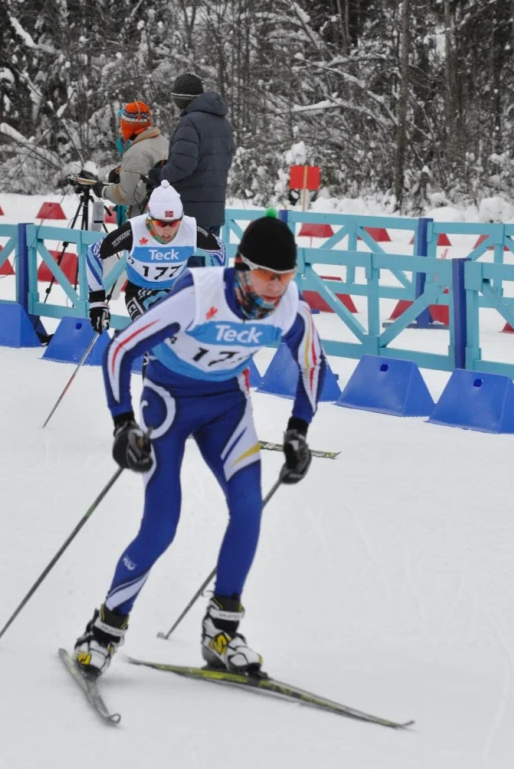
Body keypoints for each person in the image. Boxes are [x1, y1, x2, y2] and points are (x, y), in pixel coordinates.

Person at [73, 214, 328, 676]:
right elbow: (120, 350)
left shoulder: (291, 307)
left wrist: (299, 429)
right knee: (162, 525)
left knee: (249, 509)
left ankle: (222, 631)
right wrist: (122, 423)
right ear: (241, 266)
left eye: (287, 277)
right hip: (168, 403)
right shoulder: (199, 294)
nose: (277, 288)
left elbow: (312, 364)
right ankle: (105, 628)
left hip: (225, 408)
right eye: (268, 276)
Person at [86, 180, 226, 336]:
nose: (167, 230)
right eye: (160, 223)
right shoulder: (134, 230)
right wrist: (97, 301)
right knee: (152, 340)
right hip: (141, 293)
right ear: (149, 218)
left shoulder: (190, 229)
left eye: (173, 224)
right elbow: (94, 251)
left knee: (186, 342)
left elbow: (219, 249)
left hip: (176, 291)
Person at [148, 73, 235, 235]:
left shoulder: (190, 123)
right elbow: (223, 161)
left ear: (180, 99)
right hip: (214, 208)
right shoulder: (223, 123)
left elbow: (183, 165)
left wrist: (161, 175)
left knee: (187, 258)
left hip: (190, 210)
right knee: (209, 258)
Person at [89, 101, 169, 218]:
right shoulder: (163, 141)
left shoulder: (136, 152)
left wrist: (104, 191)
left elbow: (130, 195)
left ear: (127, 125)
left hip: (147, 219)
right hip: (168, 214)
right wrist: (123, 172)